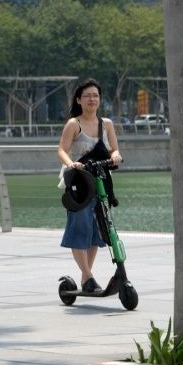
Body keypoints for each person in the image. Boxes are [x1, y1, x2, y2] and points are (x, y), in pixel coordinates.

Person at [56, 79, 124, 294]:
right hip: (79, 182)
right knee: (80, 227)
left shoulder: (107, 124)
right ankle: (88, 276)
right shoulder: (73, 124)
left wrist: (116, 156)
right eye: (87, 96)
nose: (92, 99)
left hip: (100, 182)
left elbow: (114, 149)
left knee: (96, 230)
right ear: (79, 100)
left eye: (95, 95)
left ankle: (87, 276)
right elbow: (61, 150)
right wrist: (71, 164)